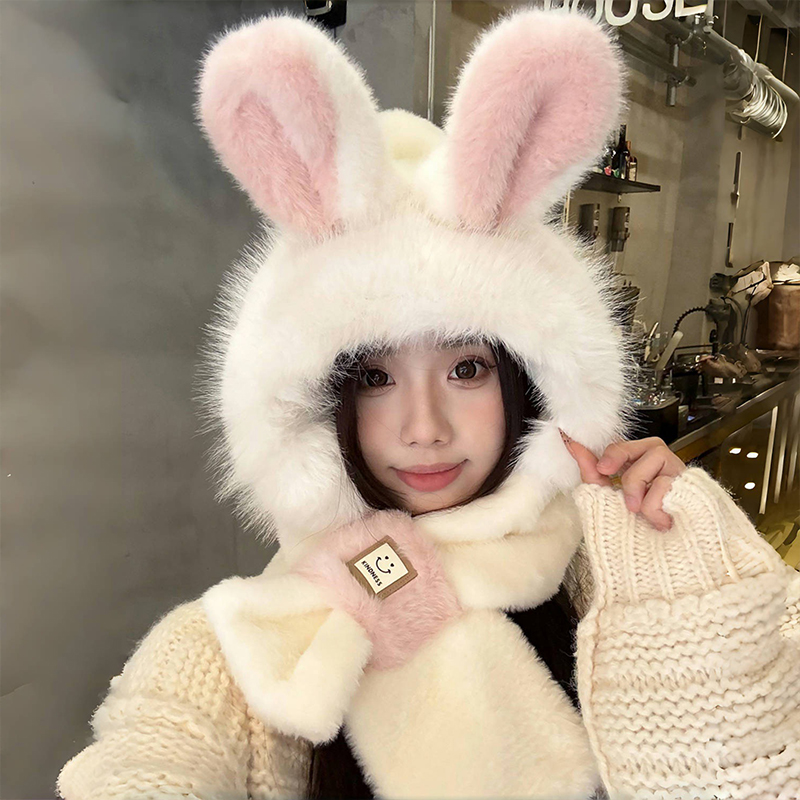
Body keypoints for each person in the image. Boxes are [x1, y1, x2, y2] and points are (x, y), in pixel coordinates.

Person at [56, 6, 800, 799]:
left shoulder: (605, 569)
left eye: (467, 369)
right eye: (374, 380)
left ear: (533, 383)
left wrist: (697, 563)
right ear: (310, 406)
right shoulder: (258, 640)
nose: (423, 430)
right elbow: (155, 752)